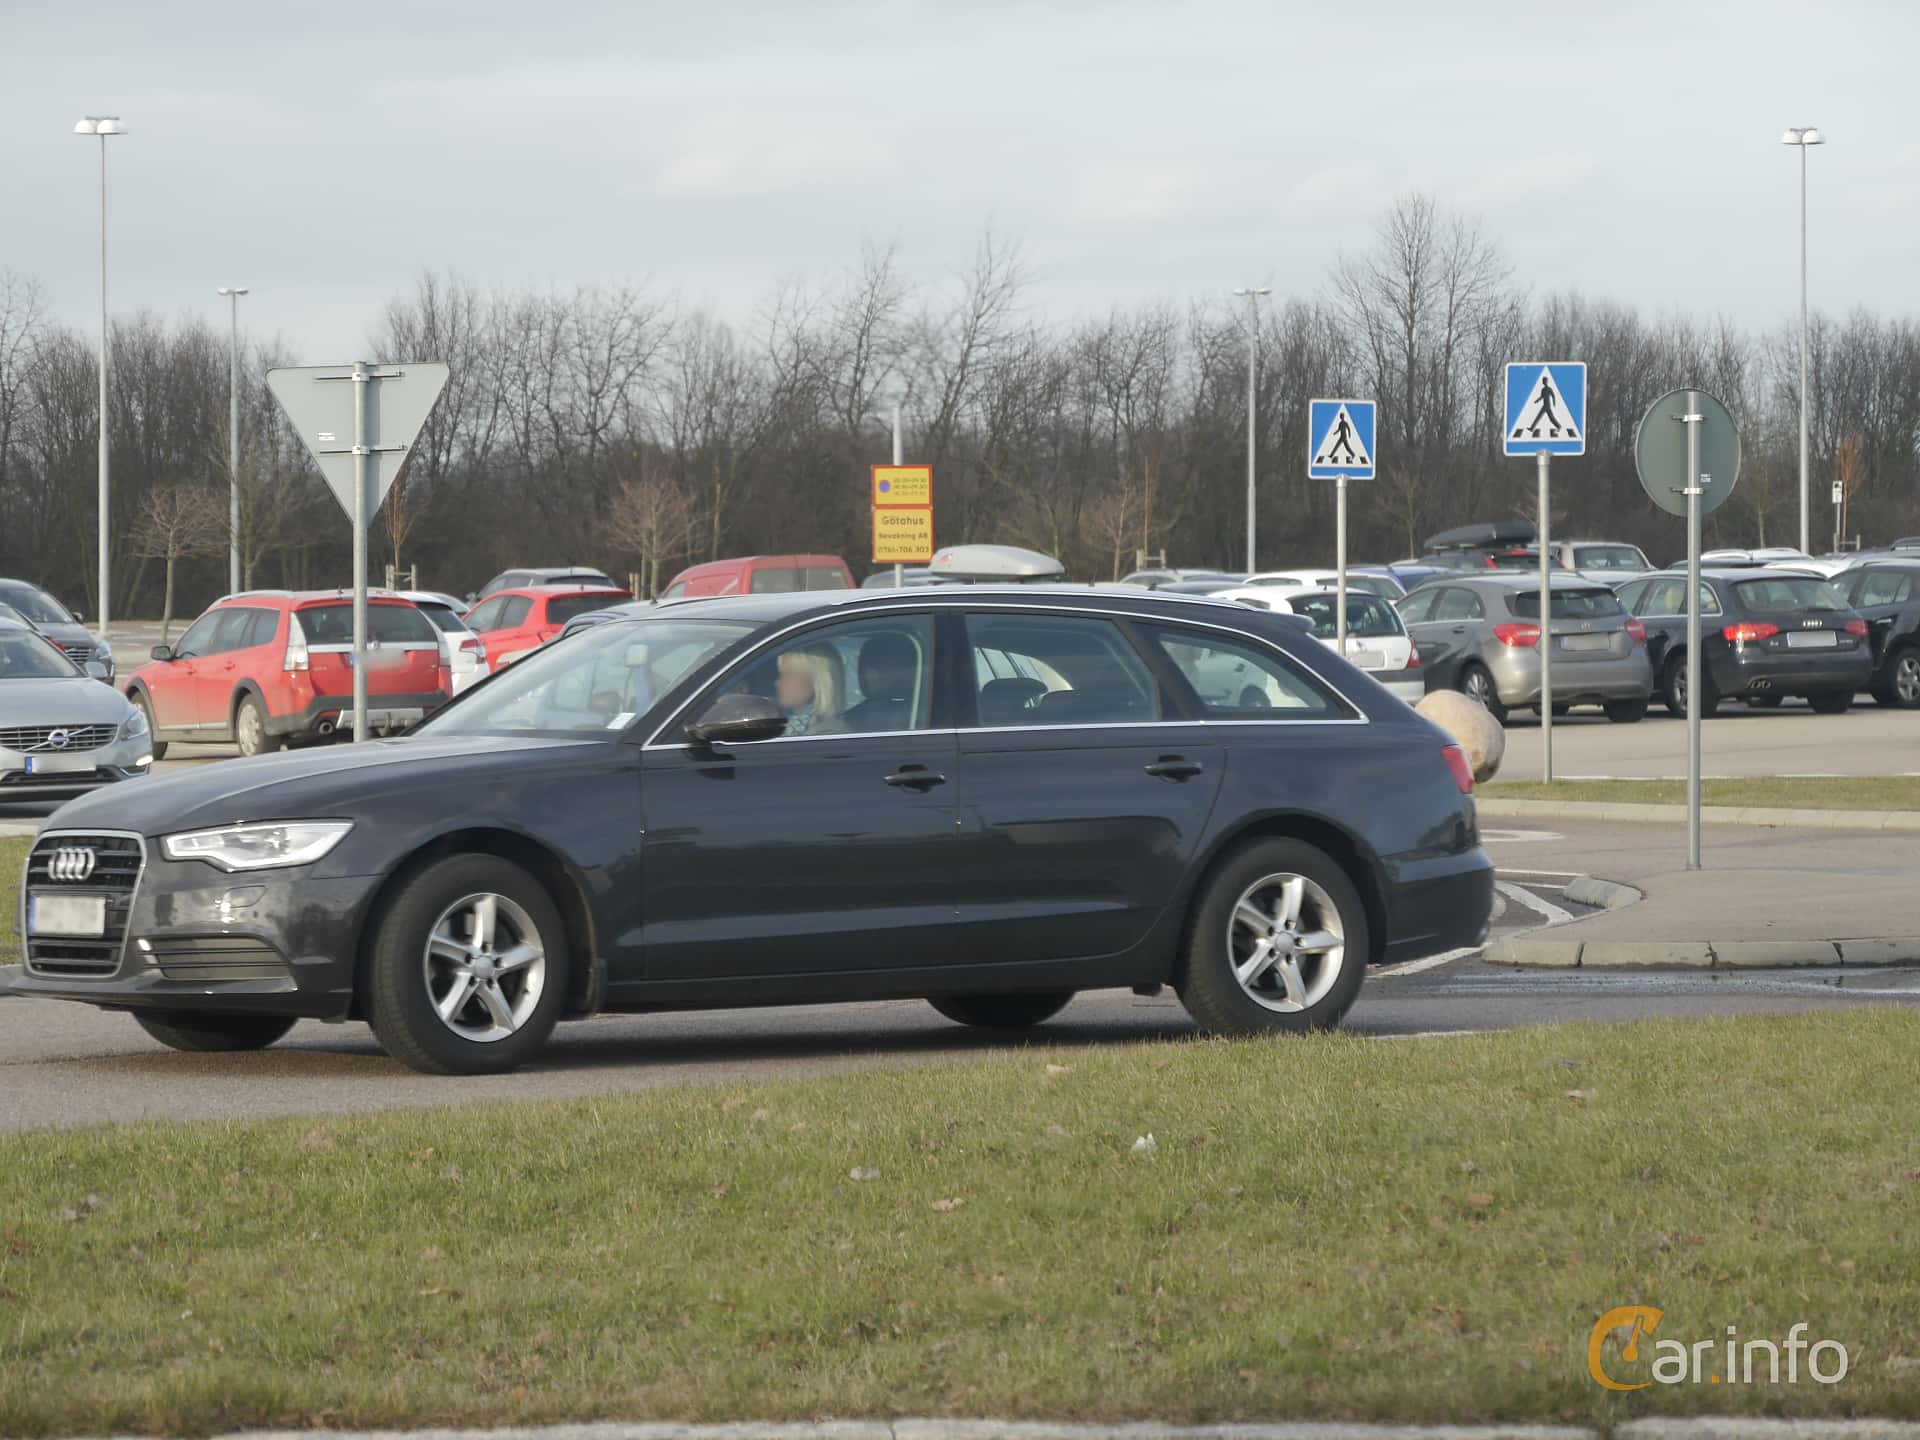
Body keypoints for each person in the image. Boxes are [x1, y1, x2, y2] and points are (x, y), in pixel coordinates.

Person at [840, 632, 920, 733]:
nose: (872, 674)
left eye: (883, 666)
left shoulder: (925, 714)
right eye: (870, 666)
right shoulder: (848, 721)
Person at [775, 645, 846, 736]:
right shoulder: (792, 725)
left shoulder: (828, 733)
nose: (777, 683)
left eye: (787, 674)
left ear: (818, 681)